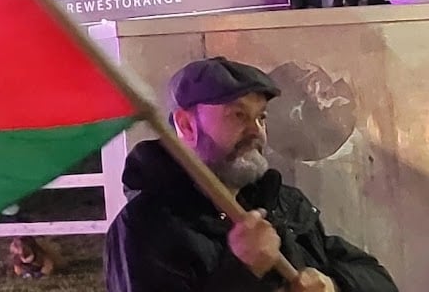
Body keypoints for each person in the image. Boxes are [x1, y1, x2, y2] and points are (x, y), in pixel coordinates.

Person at [104, 57, 398, 292]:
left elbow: (378, 279)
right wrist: (244, 271)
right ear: (187, 125)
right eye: (239, 115)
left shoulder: (283, 204)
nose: (256, 130)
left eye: (261, 117)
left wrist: (333, 284)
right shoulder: (145, 227)